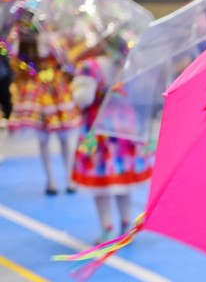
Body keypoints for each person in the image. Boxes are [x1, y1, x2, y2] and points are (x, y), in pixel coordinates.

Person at [68, 60, 154, 243]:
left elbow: (84, 99)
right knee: (123, 180)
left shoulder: (89, 67)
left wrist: (76, 88)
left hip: (100, 127)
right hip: (125, 125)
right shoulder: (129, 61)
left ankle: (107, 227)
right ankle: (126, 224)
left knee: (101, 184)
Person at [8, 34, 82, 195]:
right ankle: (50, 180)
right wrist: (29, 66)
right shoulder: (26, 40)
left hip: (56, 89)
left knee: (64, 138)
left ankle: (70, 178)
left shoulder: (56, 38)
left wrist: (58, 49)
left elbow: (67, 62)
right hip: (37, 91)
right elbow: (16, 64)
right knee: (43, 139)